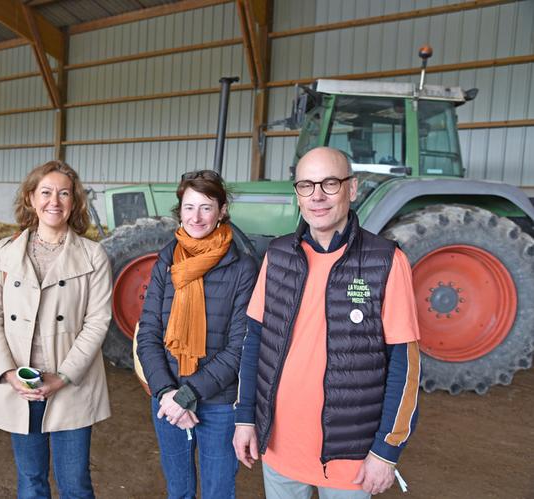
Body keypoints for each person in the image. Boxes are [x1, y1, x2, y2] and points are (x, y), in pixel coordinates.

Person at [233, 147, 421, 498]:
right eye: (306, 185)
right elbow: (254, 342)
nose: (317, 196)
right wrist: (245, 417)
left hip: (350, 458)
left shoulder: (386, 261)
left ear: (352, 189)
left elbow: (404, 365)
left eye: (329, 183)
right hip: (280, 448)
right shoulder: (277, 255)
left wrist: (386, 450)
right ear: (297, 194)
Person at [0, 160, 112, 499]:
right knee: (31, 482)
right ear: (31, 199)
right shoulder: (4, 253)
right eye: (46, 192)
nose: (55, 201)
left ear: (74, 202)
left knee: (75, 485)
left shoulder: (93, 256)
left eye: (64, 193)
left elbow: (98, 321)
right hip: (22, 383)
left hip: (70, 384)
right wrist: (8, 372)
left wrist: (62, 376)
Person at [136, 169, 257, 498]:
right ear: (179, 210)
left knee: (218, 491)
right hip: (167, 400)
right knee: (178, 491)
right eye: (189, 207)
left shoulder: (243, 268)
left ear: (221, 211)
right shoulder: (166, 260)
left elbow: (240, 348)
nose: (197, 216)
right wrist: (165, 393)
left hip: (218, 404)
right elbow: (147, 333)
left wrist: (187, 396)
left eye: (206, 207)